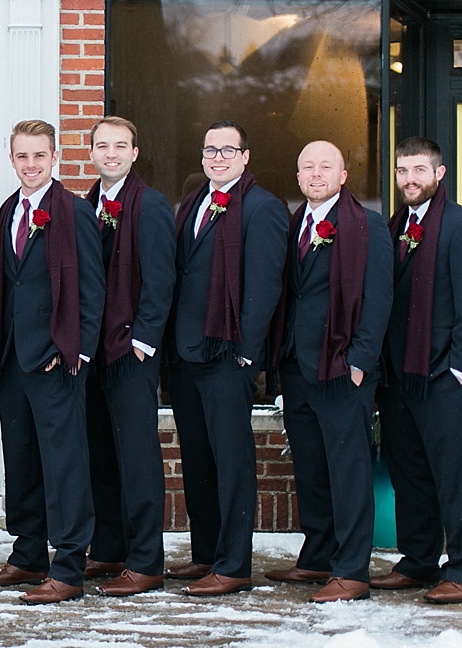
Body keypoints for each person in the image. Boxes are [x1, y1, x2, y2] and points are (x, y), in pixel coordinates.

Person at [0, 119, 106, 605]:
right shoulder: (3, 213)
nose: (30, 165)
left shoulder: (73, 212)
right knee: (22, 459)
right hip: (10, 357)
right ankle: (28, 552)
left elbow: (93, 288)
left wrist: (75, 350)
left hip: (56, 359)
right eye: (21, 156)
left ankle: (69, 565)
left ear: (54, 158)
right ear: (11, 160)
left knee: (65, 464)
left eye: (39, 156)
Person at [264, 141, 393, 603]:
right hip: (297, 365)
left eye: (325, 167)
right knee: (312, 468)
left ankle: (352, 570)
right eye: (307, 167)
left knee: (347, 469)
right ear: (298, 177)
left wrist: (360, 361)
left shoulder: (367, 227)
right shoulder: (293, 223)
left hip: (342, 367)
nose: (315, 174)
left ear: (343, 176)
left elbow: (379, 300)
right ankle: (318, 555)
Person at [371, 136, 462, 605]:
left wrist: (461, 372)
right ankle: (418, 560)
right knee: (410, 473)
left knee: (452, 474)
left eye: (418, 170)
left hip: (442, 375)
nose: (409, 179)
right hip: (400, 375)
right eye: (403, 171)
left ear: (439, 174)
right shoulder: (396, 225)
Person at [166, 120, 288, 597]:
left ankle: (234, 565)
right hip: (187, 354)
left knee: (232, 461)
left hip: (227, 353)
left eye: (227, 150)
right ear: (202, 157)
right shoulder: (193, 202)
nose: (218, 157)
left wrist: (246, 356)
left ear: (245, 156)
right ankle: (206, 554)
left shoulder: (262, 208)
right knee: (196, 458)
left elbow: (265, 285)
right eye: (210, 150)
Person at [81, 117, 177, 597]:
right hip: (93, 352)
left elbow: (162, 280)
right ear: (92, 153)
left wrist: (143, 342)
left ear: (135, 153)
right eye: (102, 146)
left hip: (131, 352)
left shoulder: (152, 205)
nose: (111, 153)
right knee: (101, 454)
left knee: (138, 458)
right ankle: (110, 547)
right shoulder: (86, 205)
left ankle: (146, 561)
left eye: (120, 146)